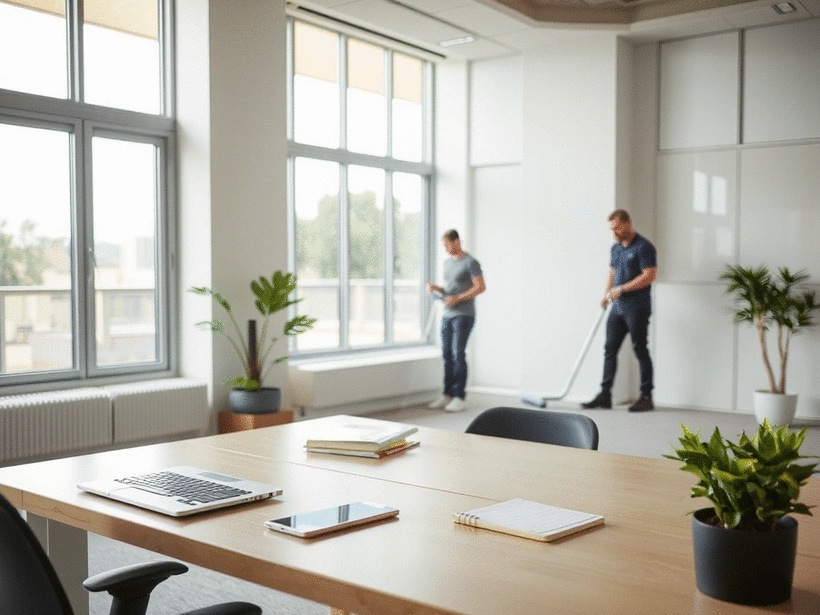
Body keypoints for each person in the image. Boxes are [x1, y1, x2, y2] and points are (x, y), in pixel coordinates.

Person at [582, 209, 657, 412]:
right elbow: (612, 273)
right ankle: (605, 395)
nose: (614, 232)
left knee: (640, 349)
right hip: (618, 308)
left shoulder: (644, 246)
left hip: (637, 308)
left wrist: (622, 289)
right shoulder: (616, 249)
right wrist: (606, 295)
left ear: (627, 223)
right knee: (609, 349)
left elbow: (649, 275)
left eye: (616, 228)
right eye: (611, 229)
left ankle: (646, 396)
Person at [427, 229, 486, 412]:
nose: (445, 248)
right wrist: (438, 289)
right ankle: (447, 394)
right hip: (447, 314)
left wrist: (459, 298)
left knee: (458, 353)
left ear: (457, 242)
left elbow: (480, 287)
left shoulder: (471, 263)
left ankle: (459, 396)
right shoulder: (447, 263)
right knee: (446, 354)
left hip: (464, 315)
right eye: (443, 245)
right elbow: (450, 288)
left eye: (447, 244)